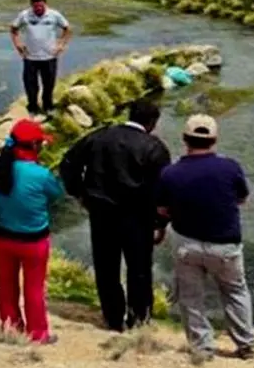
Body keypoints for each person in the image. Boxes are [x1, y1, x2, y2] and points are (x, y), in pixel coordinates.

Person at [59, 99, 172, 332]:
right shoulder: (154, 147)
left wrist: (79, 194)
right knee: (139, 269)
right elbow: (162, 190)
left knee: (106, 268)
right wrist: (160, 223)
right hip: (137, 217)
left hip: (101, 213)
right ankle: (138, 319)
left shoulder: (100, 136)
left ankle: (113, 318)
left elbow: (68, 163)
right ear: (152, 122)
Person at [156, 114, 254, 361]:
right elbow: (242, 198)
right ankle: (246, 345)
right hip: (226, 245)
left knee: (190, 298)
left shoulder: (170, 173)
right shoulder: (230, 167)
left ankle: (202, 348)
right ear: (214, 139)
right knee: (235, 293)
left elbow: (161, 209)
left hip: (187, 244)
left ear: (184, 139)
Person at [0, 119, 65, 344]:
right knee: (34, 288)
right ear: (34, 146)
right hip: (33, 241)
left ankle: (11, 326)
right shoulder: (40, 174)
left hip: (1, 237)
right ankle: (38, 333)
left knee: (6, 285)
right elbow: (56, 194)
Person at [10, 0, 72, 119]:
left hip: (49, 57)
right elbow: (13, 28)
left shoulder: (54, 15)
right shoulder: (24, 15)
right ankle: (32, 107)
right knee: (30, 85)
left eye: (41, 6)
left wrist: (61, 45)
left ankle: (48, 106)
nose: (38, 9)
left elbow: (67, 28)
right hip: (30, 57)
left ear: (45, 4)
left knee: (49, 84)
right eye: (35, 7)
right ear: (32, 6)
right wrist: (18, 44)